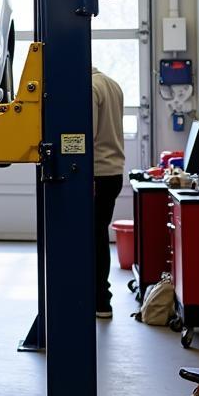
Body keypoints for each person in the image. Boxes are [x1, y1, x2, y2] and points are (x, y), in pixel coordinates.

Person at [92, 66, 125, 318]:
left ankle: (100, 300)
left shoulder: (90, 87)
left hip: (95, 174)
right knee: (99, 235)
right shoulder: (113, 84)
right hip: (113, 172)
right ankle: (101, 298)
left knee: (93, 238)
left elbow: (85, 134)